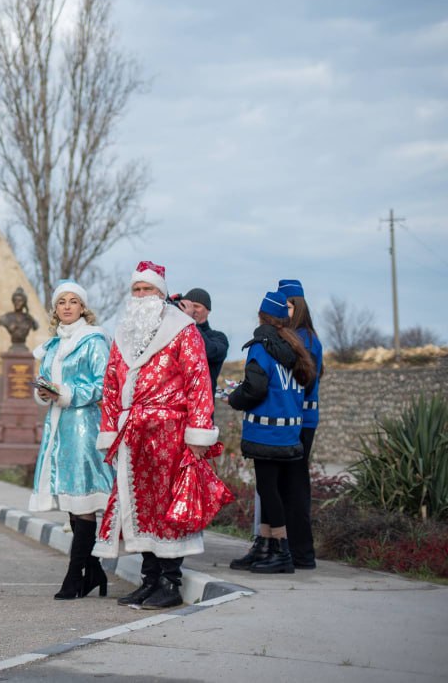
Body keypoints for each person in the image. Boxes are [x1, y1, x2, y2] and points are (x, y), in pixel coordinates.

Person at [94, 261, 222, 610]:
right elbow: (110, 385)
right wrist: (109, 428)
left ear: (161, 293)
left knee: (168, 506)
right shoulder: (124, 332)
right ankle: (150, 579)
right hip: (132, 434)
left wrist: (198, 432)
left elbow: (199, 381)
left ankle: (170, 581)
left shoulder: (183, 329)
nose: (140, 296)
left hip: (172, 433)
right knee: (140, 507)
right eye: (136, 290)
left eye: (146, 289)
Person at [29, 279, 114, 600]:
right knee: (71, 499)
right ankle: (93, 572)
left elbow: (103, 384)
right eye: (61, 301)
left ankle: (74, 575)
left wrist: (64, 393)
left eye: (73, 301)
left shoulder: (93, 340)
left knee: (83, 501)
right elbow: (49, 383)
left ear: (83, 308)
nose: (66, 306)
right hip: (58, 428)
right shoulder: (51, 346)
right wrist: (44, 392)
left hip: (83, 426)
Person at [225, 291, 316, 574]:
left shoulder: (261, 347)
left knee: (268, 490)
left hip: (266, 431)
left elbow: (256, 387)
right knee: (272, 489)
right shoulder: (294, 346)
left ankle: (281, 550)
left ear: (261, 316)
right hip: (290, 431)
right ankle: (266, 545)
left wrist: (234, 398)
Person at [278, 278, 324, 569]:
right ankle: (296, 549)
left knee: (294, 484)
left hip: (301, 421)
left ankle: (301, 552)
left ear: (298, 306)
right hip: (302, 419)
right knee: (291, 483)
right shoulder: (306, 337)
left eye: (287, 306)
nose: (284, 311)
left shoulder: (304, 340)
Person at [178, 288, 228, 393]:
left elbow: (209, 351)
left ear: (208, 310)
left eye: (196, 306)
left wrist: (189, 322)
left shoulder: (219, 337)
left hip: (203, 404)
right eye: (189, 306)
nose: (192, 310)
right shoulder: (177, 335)